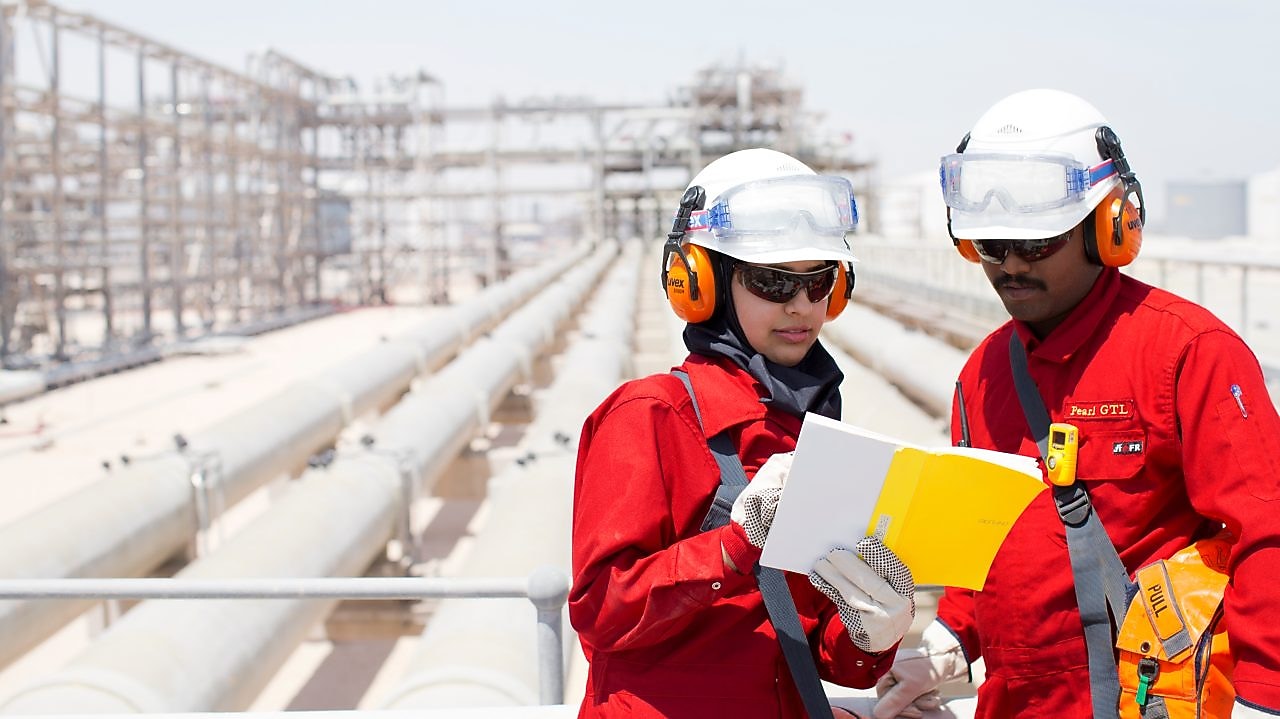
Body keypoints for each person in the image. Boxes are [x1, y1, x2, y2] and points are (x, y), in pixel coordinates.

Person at [871, 89, 1280, 718]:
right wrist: (952, 637)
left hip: (1140, 700)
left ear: (1108, 228)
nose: (1010, 265)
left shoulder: (1186, 352)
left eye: (1036, 245)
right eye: (991, 246)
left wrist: (1262, 698)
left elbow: (1266, 532)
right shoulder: (984, 373)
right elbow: (980, 542)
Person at [570, 148, 916, 718]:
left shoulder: (807, 428)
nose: (801, 306)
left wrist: (871, 632)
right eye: (772, 282)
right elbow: (601, 612)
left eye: (818, 282)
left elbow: (811, 647)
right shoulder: (650, 415)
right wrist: (733, 547)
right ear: (701, 282)